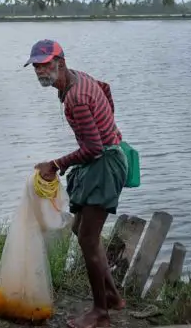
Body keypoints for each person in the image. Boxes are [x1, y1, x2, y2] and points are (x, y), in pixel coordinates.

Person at [25, 39, 127, 328]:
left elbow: (93, 148)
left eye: (45, 65)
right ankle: (113, 297)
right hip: (101, 158)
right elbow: (105, 88)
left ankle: (100, 314)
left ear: (61, 62)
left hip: (104, 164)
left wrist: (55, 164)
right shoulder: (78, 78)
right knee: (81, 229)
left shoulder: (76, 98)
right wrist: (110, 126)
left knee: (87, 239)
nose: (40, 72)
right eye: (36, 66)